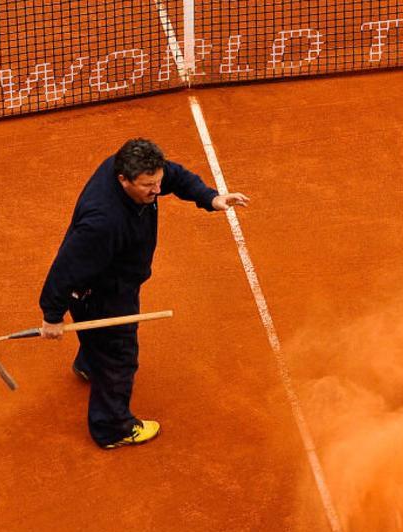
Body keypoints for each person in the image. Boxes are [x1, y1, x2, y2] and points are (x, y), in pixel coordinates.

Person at [38, 138, 249, 449]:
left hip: (116, 278)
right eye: (148, 186)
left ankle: (89, 364)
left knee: (103, 346)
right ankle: (112, 428)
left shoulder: (135, 171)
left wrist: (210, 198)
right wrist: (52, 317)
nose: (156, 191)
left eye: (157, 182)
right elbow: (66, 269)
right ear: (123, 179)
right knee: (119, 355)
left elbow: (174, 176)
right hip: (100, 293)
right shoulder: (103, 222)